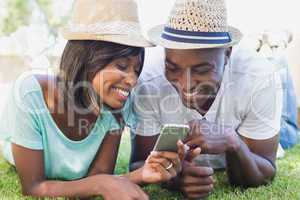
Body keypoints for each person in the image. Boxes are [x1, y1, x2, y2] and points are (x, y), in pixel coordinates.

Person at [0, 0, 186, 199]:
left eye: (136, 70)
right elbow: (34, 187)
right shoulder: (31, 93)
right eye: (122, 66)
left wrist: (142, 174)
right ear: (87, 58)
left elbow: (98, 177)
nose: (132, 81)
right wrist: (100, 184)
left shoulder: (116, 105)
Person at [130, 0, 283, 199]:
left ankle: (277, 52)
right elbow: (139, 164)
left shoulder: (259, 78)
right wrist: (175, 177)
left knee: (288, 132)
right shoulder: (149, 79)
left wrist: (233, 142)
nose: (186, 85)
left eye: (201, 69)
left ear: (227, 54)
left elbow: (264, 171)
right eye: (173, 68)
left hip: (254, 123)